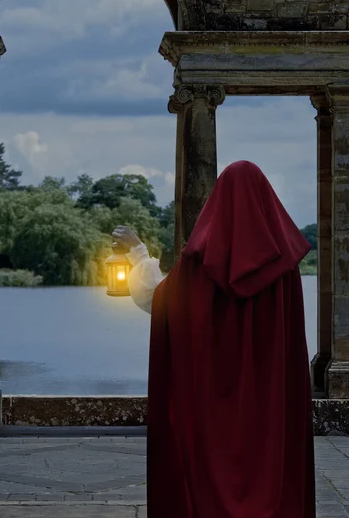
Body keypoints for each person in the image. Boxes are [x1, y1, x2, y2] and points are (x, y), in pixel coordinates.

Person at [112, 160, 316, 518]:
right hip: (269, 399)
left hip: (210, 401)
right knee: (269, 458)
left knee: (208, 465)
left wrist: (139, 253)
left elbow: (157, 300)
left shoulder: (199, 264)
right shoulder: (286, 269)